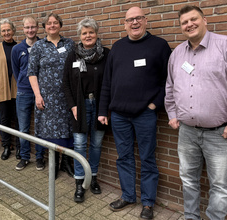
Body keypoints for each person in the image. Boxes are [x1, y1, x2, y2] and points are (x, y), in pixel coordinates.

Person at [165, 6, 227, 220]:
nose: (189, 25)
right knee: (188, 180)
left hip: (220, 133)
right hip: (186, 132)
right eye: (184, 22)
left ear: (205, 20)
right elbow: (170, 86)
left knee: (220, 185)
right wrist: (172, 113)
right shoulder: (177, 53)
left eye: (193, 19)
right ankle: (191, 217)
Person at [98, 7, 171, 219]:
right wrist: (104, 110)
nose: (134, 23)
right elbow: (108, 82)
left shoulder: (159, 46)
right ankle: (128, 195)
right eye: (130, 20)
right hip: (119, 115)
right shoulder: (118, 47)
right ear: (124, 24)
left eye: (138, 18)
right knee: (124, 157)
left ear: (145, 20)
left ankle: (148, 203)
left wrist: (154, 105)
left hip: (145, 114)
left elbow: (170, 80)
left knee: (147, 158)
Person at [62, 17, 109, 203]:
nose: (88, 36)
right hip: (79, 106)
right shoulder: (73, 55)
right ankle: (80, 183)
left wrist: (105, 108)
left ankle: (93, 177)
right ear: (79, 36)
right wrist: (73, 105)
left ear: (96, 34)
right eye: (84, 33)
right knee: (80, 144)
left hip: (99, 105)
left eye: (91, 32)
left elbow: (110, 82)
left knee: (96, 144)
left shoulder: (106, 54)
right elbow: (65, 83)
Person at [28, 13, 75, 179]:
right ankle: (54, 164)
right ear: (45, 27)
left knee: (68, 130)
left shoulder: (69, 44)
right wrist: (37, 95)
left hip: (67, 96)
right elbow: (32, 73)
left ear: (60, 25)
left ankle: (66, 163)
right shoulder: (39, 46)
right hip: (47, 97)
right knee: (50, 131)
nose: (52, 25)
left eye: (55, 23)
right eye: (49, 23)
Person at [12, 16, 45, 171]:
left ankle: (40, 158)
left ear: (37, 28)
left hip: (41, 92)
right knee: (23, 128)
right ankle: (25, 157)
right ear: (23, 29)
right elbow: (16, 71)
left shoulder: (44, 46)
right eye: (27, 27)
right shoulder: (17, 49)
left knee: (40, 127)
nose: (30, 30)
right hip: (24, 93)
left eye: (33, 27)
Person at [0, 19, 19, 160]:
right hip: (2, 91)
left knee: (19, 120)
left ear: (13, 30)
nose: (6, 33)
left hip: (18, 91)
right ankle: (6, 146)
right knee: (4, 119)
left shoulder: (19, 47)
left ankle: (20, 147)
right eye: (3, 31)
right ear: (0, 33)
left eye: (8, 30)